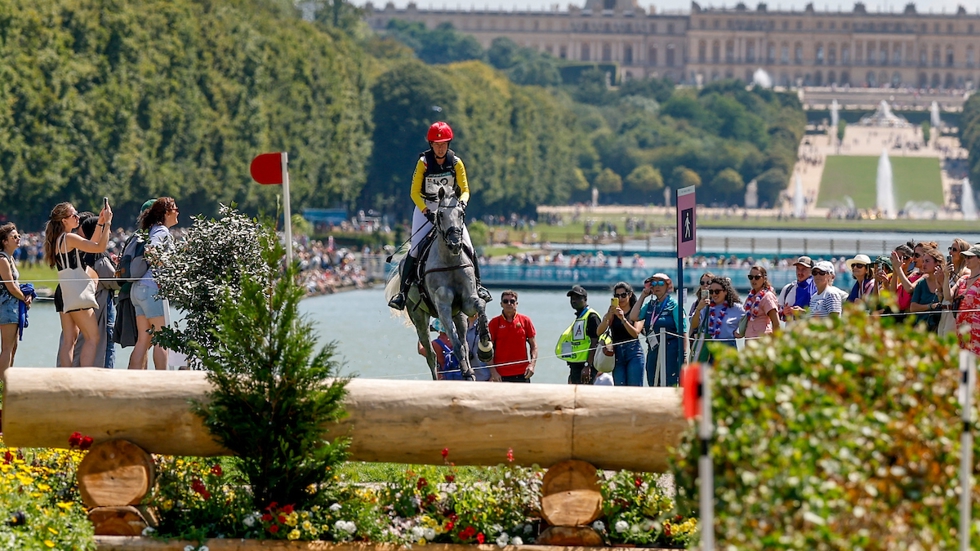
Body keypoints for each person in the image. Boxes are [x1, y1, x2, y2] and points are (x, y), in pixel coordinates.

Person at [387, 122, 491, 310]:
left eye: (444, 144)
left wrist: (462, 204)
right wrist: (426, 211)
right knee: (415, 248)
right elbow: (414, 192)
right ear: (431, 145)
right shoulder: (423, 163)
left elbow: (465, 189)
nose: (440, 148)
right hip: (426, 206)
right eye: (437, 144)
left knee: (469, 246)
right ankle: (402, 294)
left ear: (448, 144)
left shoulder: (456, 163)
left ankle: (479, 286)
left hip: (450, 208)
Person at [45, 201, 113, 368]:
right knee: (93, 337)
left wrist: (100, 223)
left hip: (65, 292)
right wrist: (108, 224)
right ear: (64, 221)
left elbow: (91, 245)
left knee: (69, 340)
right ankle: (84, 377)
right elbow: (99, 247)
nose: (77, 217)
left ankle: (67, 377)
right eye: (73, 215)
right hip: (78, 292)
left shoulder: (59, 240)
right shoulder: (70, 237)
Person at [128, 197, 178, 370]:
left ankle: (132, 380)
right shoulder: (162, 231)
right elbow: (152, 249)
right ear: (166, 213)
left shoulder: (150, 230)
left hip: (138, 289)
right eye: (175, 209)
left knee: (143, 339)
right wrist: (165, 265)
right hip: (152, 288)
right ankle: (162, 381)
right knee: (162, 337)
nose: (178, 212)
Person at [629, 273, 683, 386]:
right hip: (653, 349)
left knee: (669, 383)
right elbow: (633, 317)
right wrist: (643, 295)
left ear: (667, 286)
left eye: (660, 283)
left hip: (670, 351)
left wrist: (685, 354)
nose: (657, 286)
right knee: (653, 382)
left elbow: (683, 331)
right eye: (654, 283)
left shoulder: (674, 305)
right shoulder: (650, 305)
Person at [598, 282, 643, 387]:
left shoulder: (636, 312)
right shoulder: (613, 312)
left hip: (634, 353)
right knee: (619, 388)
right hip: (617, 353)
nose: (621, 298)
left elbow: (635, 333)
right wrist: (607, 317)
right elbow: (599, 332)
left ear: (630, 295)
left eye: (623, 295)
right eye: (617, 296)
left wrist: (623, 319)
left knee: (635, 389)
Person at [0, 224, 31, 375]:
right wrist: (25, 299)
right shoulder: (2, 259)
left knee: (13, 347)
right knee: (7, 347)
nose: (18, 238)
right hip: (6, 306)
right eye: (14, 237)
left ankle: (7, 382)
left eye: (18, 236)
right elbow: (11, 287)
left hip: (12, 306)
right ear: (5, 241)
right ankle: (2, 384)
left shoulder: (10, 258)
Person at [689, 276, 744, 362]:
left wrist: (741, 333)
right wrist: (698, 309)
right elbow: (694, 324)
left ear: (725, 292)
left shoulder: (737, 308)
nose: (714, 294)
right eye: (711, 291)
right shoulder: (706, 306)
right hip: (708, 350)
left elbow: (750, 321)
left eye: (717, 291)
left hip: (728, 349)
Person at [488, 290, 538, 383]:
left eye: (512, 301)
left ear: (516, 304)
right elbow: (488, 350)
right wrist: (493, 372)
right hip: (500, 375)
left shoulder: (525, 320)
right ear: (501, 304)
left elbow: (534, 346)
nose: (509, 303)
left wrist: (532, 365)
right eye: (505, 301)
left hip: (523, 373)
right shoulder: (494, 323)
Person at [556, 285, 600, 384]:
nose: (574, 301)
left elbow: (595, 343)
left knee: (584, 397)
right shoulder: (580, 317)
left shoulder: (592, 317)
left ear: (585, 299)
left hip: (586, 366)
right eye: (572, 298)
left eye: (577, 298)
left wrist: (587, 365)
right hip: (576, 365)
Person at [739, 265, 780, 339]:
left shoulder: (767, 296)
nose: (753, 280)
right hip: (749, 340)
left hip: (762, 341)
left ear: (764, 279)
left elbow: (776, 323)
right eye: (750, 277)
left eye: (757, 277)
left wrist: (774, 342)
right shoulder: (750, 297)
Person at [909, 248, 944, 332]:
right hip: (921, 328)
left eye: (927, 261)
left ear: (937, 263)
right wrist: (930, 306)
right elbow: (913, 307)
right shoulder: (921, 283)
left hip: (940, 327)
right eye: (923, 261)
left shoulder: (946, 281)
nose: (923, 264)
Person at [955, 245, 980, 355]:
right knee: (963, 365)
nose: (966, 260)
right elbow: (948, 296)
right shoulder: (964, 279)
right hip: (962, 327)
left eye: (970, 257)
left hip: (977, 330)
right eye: (966, 257)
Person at [777, 256, 816, 320]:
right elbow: (777, 315)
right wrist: (784, 312)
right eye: (798, 269)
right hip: (791, 329)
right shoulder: (788, 288)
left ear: (811, 270)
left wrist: (804, 312)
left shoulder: (817, 289)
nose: (800, 272)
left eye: (804, 269)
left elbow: (823, 315)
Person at [465, 313, 491, 381]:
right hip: (465, 376)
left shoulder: (487, 324)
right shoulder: (460, 325)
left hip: (485, 375)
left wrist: (493, 373)